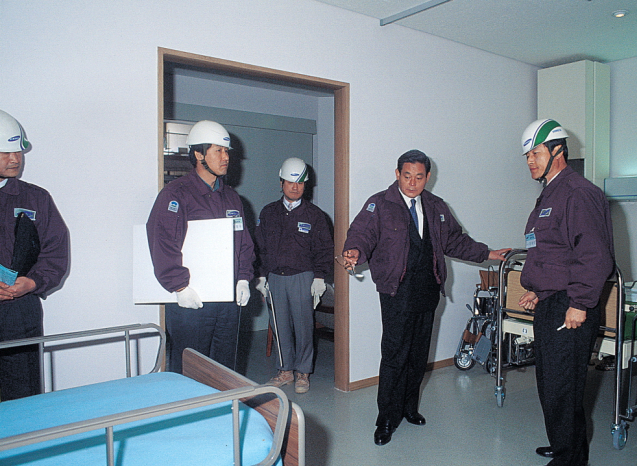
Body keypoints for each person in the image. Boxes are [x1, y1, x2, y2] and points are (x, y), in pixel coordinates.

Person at [341, 149, 510, 446]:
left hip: (428, 288)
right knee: (395, 355)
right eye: (407, 176)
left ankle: (409, 408)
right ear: (397, 174)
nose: (412, 182)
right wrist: (354, 251)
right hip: (396, 290)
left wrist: (488, 253)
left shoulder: (436, 206)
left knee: (418, 355)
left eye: (419, 177)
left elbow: (456, 240)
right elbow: (362, 234)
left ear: (427, 178)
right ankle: (386, 418)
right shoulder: (379, 203)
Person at [517, 119, 614, 466]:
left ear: (558, 151)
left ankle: (569, 459)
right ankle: (564, 445)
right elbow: (554, 254)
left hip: (571, 307)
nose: (530, 161)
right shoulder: (551, 194)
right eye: (527, 155)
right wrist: (539, 291)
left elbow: (593, 255)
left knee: (563, 389)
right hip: (554, 303)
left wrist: (580, 303)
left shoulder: (578, 193)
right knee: (551, 386)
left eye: (537, 153)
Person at [147, 120, 255, 374]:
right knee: (190, 370)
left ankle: (224, 412)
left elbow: (244, 243)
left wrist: (243, 278)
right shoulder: (176, 194)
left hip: (227, 301)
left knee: (225, 368)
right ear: (198, 154)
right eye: (218, 150)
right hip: (191, 300)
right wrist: (179, 286)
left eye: (227, 151)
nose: (226, 157)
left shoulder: (231, 197)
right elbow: (162, 241)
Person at [0, 109, 69, 400]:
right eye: (5, 152)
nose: (15, 159)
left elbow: (56, 250)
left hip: (20, 310)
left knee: (23, 392)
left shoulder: (36, 198)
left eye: (18, 151)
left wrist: (34, 282)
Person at [255, 157, 334, 394]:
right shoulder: (268, 213)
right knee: (279, 326)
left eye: (300, 183)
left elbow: (325, 249)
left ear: (305, 185)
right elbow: (259, 247)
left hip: (303, 277)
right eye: (290, 182)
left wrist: (319, 278)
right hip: (275, 277)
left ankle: (303, 372)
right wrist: (260, 277)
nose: (295, 187)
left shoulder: (315, 216)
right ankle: (285, 370)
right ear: (281, 183)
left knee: (303, 327)